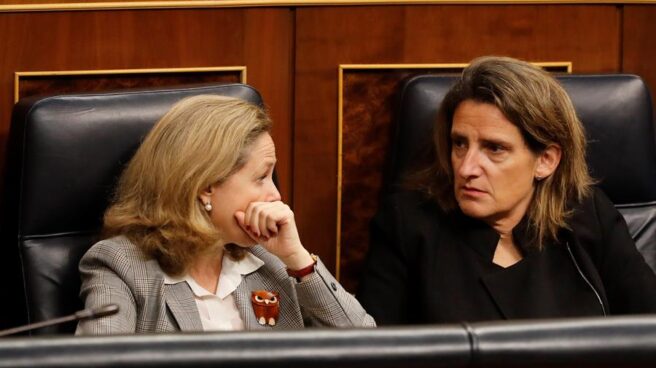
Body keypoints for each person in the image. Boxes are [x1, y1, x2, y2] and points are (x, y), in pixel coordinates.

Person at [357, 56, 656, 325]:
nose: (466, 168)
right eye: (460, 143)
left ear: (546, 160)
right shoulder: (407, 225)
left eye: (494, 148)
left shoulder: (587, 213)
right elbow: (375, 348)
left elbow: (648, 326)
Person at [76, 95, 375, 334]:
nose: (276, 195)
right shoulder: (122, 266)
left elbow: (365, 349)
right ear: (205, 186)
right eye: (261, 177)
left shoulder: (270, 260)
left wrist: (298, 260)